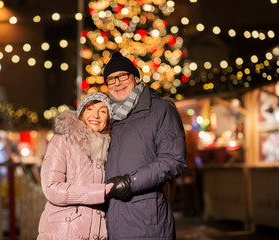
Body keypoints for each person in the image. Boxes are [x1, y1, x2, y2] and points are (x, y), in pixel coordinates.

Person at [103, 51, 187, 239]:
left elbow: (174, 160)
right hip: (110, 218)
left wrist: (131, 182)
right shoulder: (105, 118)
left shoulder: (160, 110)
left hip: (146, 218)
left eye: (122, 76)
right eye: (110, 79)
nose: (117, 83)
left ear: (135, 77)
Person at [37, 92, 114, 240]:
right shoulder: (62, 141)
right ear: (81, 113)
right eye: (90, 109)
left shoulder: (109, 147)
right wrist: (100, 192)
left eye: (103, 111)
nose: (95, 115)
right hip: (63, 232)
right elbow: (52, 188)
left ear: (108, 118)